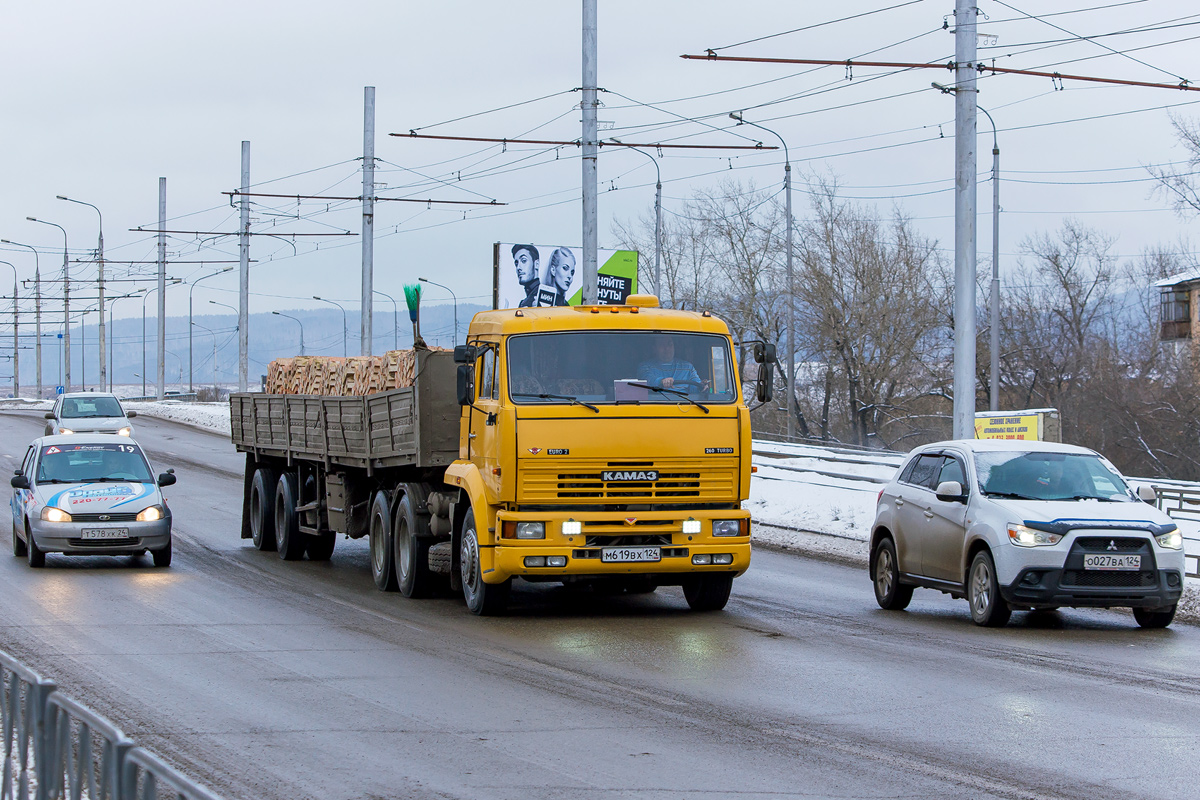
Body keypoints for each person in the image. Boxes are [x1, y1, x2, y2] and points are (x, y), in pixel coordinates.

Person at [637, 335, 705, 391]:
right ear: (654, 348)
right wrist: (661, 381)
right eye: (662, 345)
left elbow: (696, 385)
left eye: (670, 344)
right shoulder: (645, 366)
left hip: (685, 405)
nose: (667, 348)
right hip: (654, 405)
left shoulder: (687, 367)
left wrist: (702, 386)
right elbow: (647, 380)